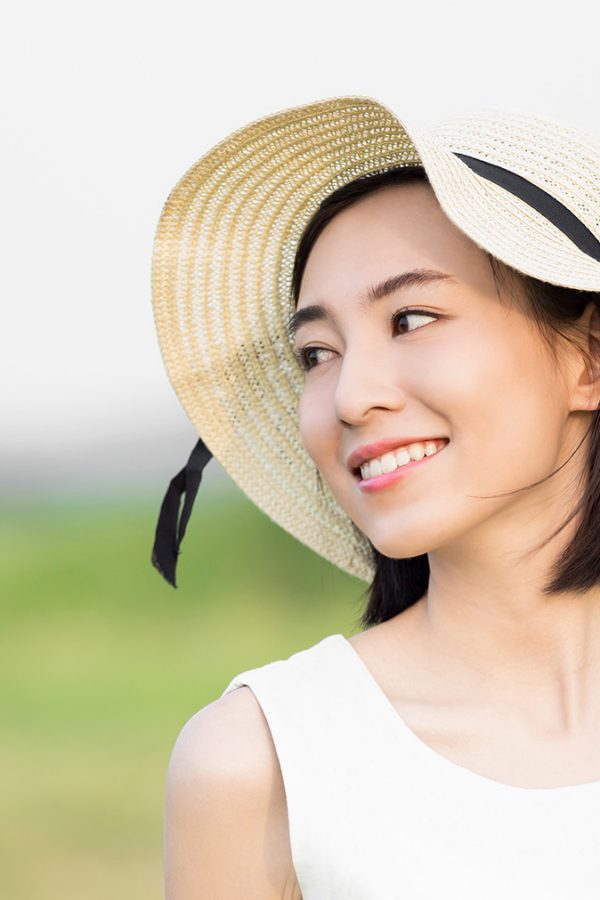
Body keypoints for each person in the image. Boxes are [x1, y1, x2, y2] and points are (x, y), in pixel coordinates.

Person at [151, 97, 600, 898]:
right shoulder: (262, 761)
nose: (351, 397)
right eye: (316, 353)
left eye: (412, 317)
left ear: (589, 360)